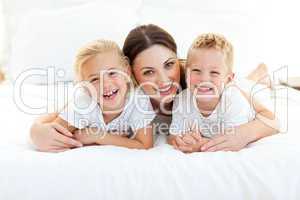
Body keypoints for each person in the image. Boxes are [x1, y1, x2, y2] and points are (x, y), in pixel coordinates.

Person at [30, 24, 276, 152]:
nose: (163, 80)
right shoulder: (125, 93)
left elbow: (270, 120)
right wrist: (35, 130)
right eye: (148, 72)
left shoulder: (195, 80)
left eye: (169, 64)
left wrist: (243, 134)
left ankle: (258, 74)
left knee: (247, 83)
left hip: (232, 85)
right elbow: (56, 115)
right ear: (132, 75)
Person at [169, 33, 278, 152]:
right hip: (228, 84)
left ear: (228, 79)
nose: (204, 79)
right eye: (196, 70)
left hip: (241, 90)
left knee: (251, 85)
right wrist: (181, 139)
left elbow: (227, 141)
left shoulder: (234, 102)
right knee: (246, 81)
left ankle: (262, 72)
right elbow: (174, 136)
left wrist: (199, 145)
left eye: (214, 72)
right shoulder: (181, 100)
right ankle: (257, 73)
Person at [48, 39, 155, 150]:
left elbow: (145, 145)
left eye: (112, 73)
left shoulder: (138, 100)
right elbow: (53, 137)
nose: (106, 84)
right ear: (85, 87)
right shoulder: (83, 103)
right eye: (94, 79)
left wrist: (99, 136)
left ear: (126, 72)